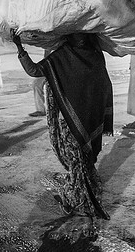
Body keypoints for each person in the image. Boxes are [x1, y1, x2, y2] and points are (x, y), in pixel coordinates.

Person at [11, 28, 113, 223]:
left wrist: (20, 48)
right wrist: (19, 48)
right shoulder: (69, 56)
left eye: (83, 34)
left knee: (82, 162)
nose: (81, 38)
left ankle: (76, 199)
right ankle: (79, 198)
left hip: (80, 120)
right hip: (79, 120)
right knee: (80, 163)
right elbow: (34, 71)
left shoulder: (84, 55)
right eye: (78, 35)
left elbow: (102, 85)